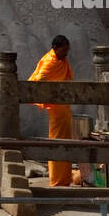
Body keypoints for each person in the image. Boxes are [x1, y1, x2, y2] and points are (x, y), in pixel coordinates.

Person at [29, 35, 73, 186]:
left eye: (67, 51)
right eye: (64, 50)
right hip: (56, 108)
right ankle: (57, 180)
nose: (66, 54)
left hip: (63, 107)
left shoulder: (62, 61)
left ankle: (65, 179)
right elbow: (39, 81)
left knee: (66, 142)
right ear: (55, 48)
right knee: (57, 142)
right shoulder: (50, 62)